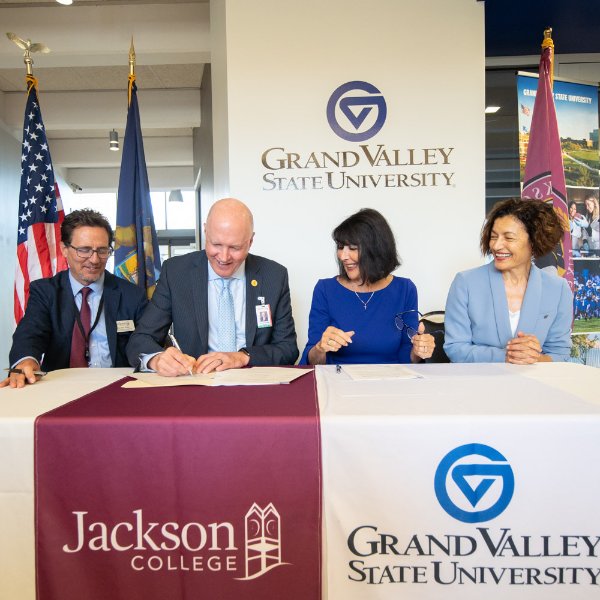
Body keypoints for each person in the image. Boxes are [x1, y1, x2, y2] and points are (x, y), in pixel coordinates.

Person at [126, 198, 298, 375]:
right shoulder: (176, 272)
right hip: (196, 384)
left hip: (253, 384)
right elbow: (140, 339)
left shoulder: (274, 276)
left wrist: (242, 357)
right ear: (205, 231)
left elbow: (288, 349)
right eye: (216, 244)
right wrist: (156, 359)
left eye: (235, 247)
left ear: (250, 242)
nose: (224, 257)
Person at [1, 209, 148, 388]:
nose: (94, 260)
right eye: (84, 250)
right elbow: (30, 333)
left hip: (118, 389)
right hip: (60, 390)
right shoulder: (45, 291)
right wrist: (25, 361)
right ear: (64, 249)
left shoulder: (132, 294)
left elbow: (146, 340)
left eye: (102, 250)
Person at [299, 208, 435, 365]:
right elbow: (312, 361)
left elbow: (407, 356)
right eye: (340, 247)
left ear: (376, 249)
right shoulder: (325, 289)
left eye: (352, 248)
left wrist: (419, 351)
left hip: (390, 382)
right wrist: (320, 348)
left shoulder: (405, 289)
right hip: (338, 382)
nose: (343, 256)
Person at [444, 198, 573, 363]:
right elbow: (456, 348)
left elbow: (560, 353)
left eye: (509, 238)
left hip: (535, 386)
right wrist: (508, 355)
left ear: (534, 241)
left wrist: (536, 358)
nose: (496, 246)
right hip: (479, 384)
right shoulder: (465, 283)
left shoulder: (558, 289)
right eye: (493, 236)